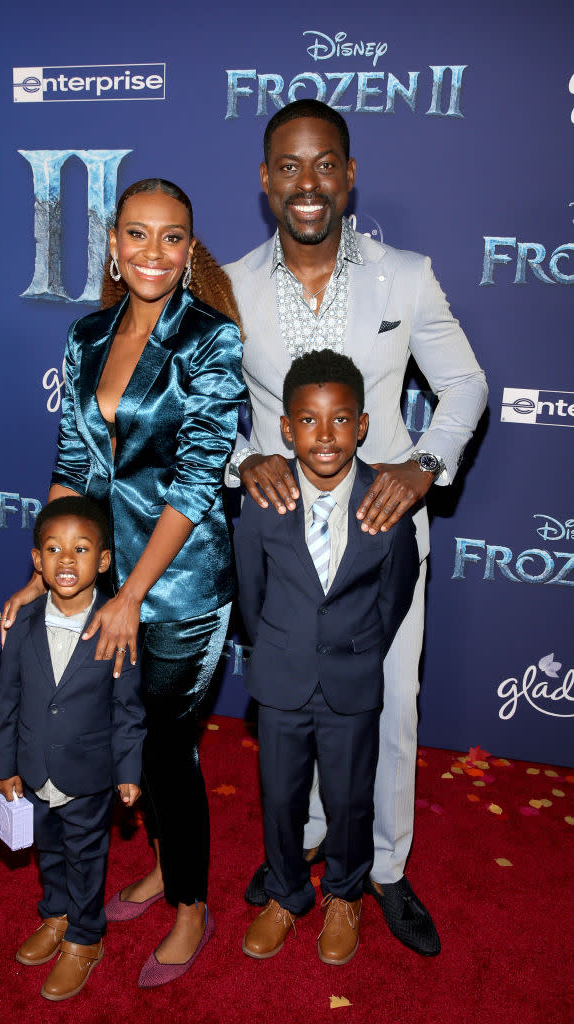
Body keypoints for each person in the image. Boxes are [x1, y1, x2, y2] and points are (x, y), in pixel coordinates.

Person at [224, 99, 488, 956]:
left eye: (325, 163)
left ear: (349, 173)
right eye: (289, 167)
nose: (308, 183)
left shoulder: (404, 276)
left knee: (391, 705)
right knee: (290, 700)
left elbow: (466, 387)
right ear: (266, 181)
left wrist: (421, 469)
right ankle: (300, 855)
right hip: (281, 538)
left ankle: (379, 867)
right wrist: (240, 460)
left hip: (380, 530)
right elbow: (194, 412)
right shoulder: (223, 286)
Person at [0, 178, 246, 987]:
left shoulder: (210, 340)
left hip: (177, 590)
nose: (152, 253)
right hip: (106, 583)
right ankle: (112, 892)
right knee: (114, 739)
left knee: (166, 751)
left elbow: (194, 483)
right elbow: (73, 467)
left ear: (189, 248)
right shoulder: (86, 336)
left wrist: (132, 594)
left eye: (170, 237)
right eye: (136, 235)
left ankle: (190, 907)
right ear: (113, 244)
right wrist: (47, 573)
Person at [236, 350, 419, 964]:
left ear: (362, 425)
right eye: (308, 421)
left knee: (349, 798)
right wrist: (279, 650)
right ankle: (287, 893)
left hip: (352, 680)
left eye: (340, 420)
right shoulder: (263, 502)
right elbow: (251, 593)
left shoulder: (388, 505)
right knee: (280, 796)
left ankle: (345, 894)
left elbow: (392, 603)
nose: (325, 435)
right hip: (281, 680)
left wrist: (357, 650)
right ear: (286, 428)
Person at [0, 496, 144, 1002]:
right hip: (32, 769)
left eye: (81, 549)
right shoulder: (23, 622)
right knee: (48, 852)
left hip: (89, 772)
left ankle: (85, 935)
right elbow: (7, 701)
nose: (67, 560)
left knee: (86, 857)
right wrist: (3, 767)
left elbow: (127, 709)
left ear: (102, 560)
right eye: (53, 549)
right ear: (37, 561)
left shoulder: (115, 624)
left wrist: (128, 769)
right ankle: (55, 916)